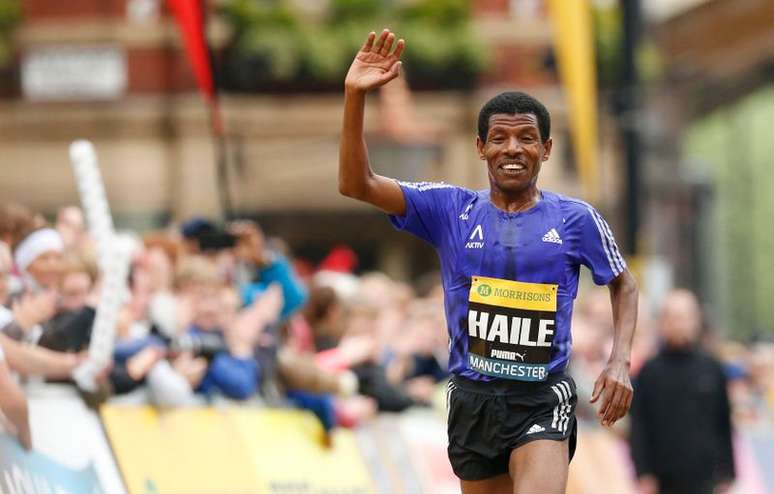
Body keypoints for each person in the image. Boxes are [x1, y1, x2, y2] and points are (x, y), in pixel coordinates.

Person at [338, 29, 639, 494]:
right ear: (481, 148)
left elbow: (624, 283)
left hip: (542, 396)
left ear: (547, 149)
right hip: (473, 398)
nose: (513, 149)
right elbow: (357, 184)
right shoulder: (448, 208)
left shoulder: (576, 219)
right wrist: (354, 97)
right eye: (499, 138)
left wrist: (619, 362)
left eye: (526, 138)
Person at [629, 290, 735, 494]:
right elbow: (639, 425)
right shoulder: (649, 372)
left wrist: (728, 471)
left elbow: (723, 423)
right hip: (662, 479)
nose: (679, 324)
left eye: (685, 317)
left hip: (705, 476)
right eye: (673, 317)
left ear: (696, 321)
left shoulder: (712, 368)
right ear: (662, 322)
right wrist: (643, 472)